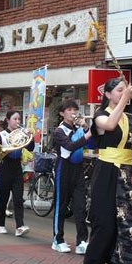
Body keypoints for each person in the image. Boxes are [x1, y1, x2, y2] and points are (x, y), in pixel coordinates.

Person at [82, 78, 132, 264]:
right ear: (109, 94)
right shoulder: (100, 116)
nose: (123, 94)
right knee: (105, 225)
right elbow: (111, 125)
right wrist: (125, 100)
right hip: (106, 172)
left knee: (128, 228)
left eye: (125, 90)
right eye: (119, 91)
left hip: (127, 175)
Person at [52, 100, 92, 254]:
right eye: (69, 109)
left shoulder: (80, 129)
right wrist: (87, 134)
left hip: (78, 169)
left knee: (80, 206)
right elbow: (69, 146)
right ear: (62, 113)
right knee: (61, 206)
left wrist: (87, 128)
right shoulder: (59, 131)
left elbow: (91, 146)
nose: (73, 112)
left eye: (75, 109)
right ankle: (58, 239)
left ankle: (82, 241)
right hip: (64, 169)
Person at [0, 110, 34, 236]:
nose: (18, 121)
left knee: (18, 198)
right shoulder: (1, 135)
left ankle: (20, 226)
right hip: (5, 167)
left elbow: (30, 147)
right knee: (3, 199)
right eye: (15, 119)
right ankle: (0, 224)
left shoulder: (21, 133)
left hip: (17, 167)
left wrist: (29, 136)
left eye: (19, 119)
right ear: (8, 120)